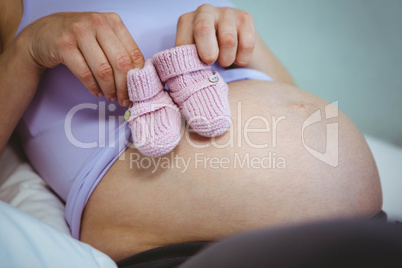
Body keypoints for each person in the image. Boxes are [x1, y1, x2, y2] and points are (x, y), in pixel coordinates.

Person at [0, 0, 382, 265]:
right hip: (189, 249)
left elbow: (293, 99)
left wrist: (245, 37)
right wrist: (27, 49)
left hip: (363, 230)